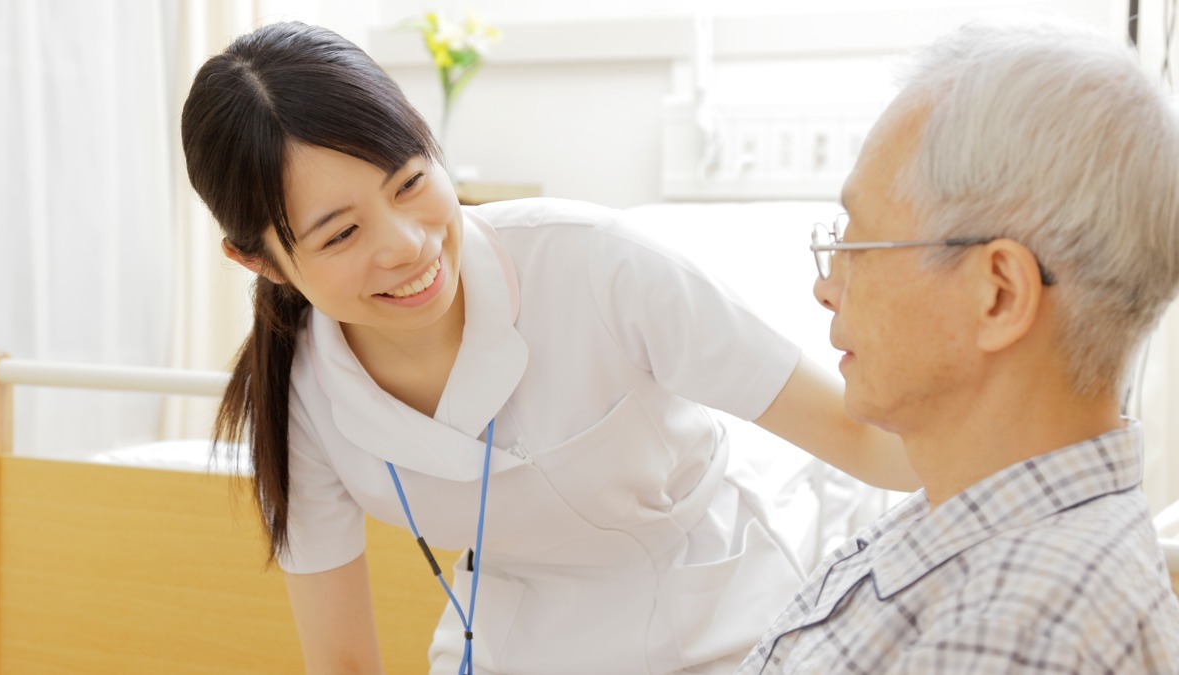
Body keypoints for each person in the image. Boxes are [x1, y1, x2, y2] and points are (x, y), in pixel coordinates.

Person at [181, 21, 914, 675]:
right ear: (262, 262)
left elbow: (860, 436)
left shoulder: (598, 265)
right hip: (510, 642)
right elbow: (342, 659)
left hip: (723, 612)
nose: (408, 246)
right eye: (341, 233)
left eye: (409, 182)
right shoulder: (300, 395)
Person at [738, 19, 1179, 674]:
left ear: (997, 294)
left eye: (855, 247)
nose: (825, 286)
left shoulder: (1012, 637)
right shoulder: (965, 518)